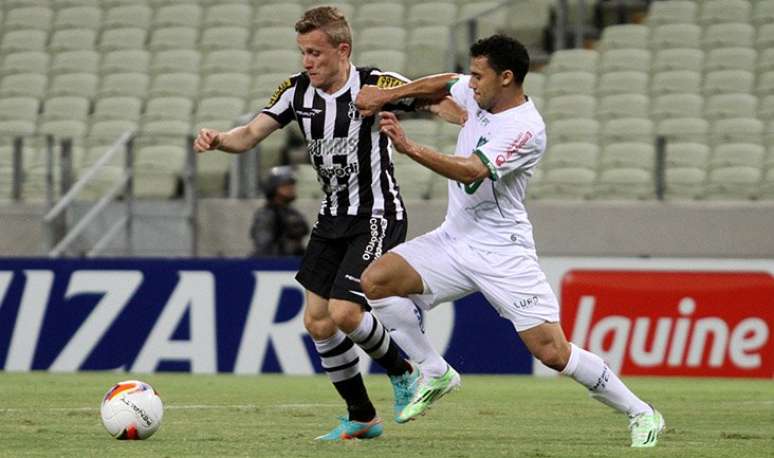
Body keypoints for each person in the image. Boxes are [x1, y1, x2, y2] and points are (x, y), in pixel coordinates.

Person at [356, 34, 665, 448]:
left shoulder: (525, 129)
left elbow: (470, 171)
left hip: (502, 250)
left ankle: (641, 412)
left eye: (479, 76)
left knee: (553, 352)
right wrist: (389, 95)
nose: (472, 83)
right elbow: (446, 82)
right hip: (455, 237)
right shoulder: (477, 93)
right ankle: (435, 370)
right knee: (377, 281)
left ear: (506, 78)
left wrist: (409, 146)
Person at [193, 6, 465, 441]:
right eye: (303, 52)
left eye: (316, 53)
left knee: (345, 311)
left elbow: (440, 103)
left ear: (343, 51)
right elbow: (248, 134)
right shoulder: (295, 92)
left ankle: (407, 371)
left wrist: (475, 120)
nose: (307, 61)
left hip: (377, 213)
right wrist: (219, 140)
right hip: (332, 217)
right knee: (318, 322)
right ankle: (362, 415)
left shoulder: (376, 84)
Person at [249, 166, 309, 257]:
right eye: (286, 185)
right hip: (275, 265)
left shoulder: (293, 213)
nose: (291, 188)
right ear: (274, 188)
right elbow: (264, 247)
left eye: (292, 185)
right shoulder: (266, 214)